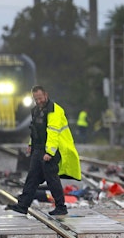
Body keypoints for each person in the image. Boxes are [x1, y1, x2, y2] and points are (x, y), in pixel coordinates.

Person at [7, 85, 82, 216]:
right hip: (38, 149)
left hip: (51, 151)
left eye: (40, 98)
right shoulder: (36, 110)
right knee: (32, 178)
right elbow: (35, 130)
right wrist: (31, 144)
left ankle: (61, 207)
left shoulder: (54, 110)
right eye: (36, 99)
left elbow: (53, 132)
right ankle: (22, 206)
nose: (39, 101)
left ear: (46, 95)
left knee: (52, 179)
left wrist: (50, 152)